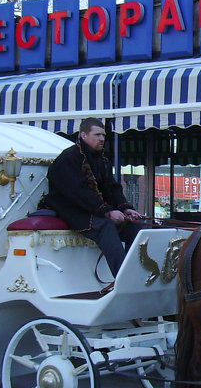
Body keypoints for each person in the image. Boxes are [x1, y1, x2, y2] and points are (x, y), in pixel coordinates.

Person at [43, 117, 145, 281]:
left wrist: (126, 208)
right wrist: (107, 212)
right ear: (83, 135)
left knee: (135, 226)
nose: (102, 139)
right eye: (97, 135)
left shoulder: (102, 160)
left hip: (94, 209)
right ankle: (124, 278)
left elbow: (113, 188)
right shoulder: (68, 159)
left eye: (103, 135)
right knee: (105, 226)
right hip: (71, 210)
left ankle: (138, 273)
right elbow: (77, 193)